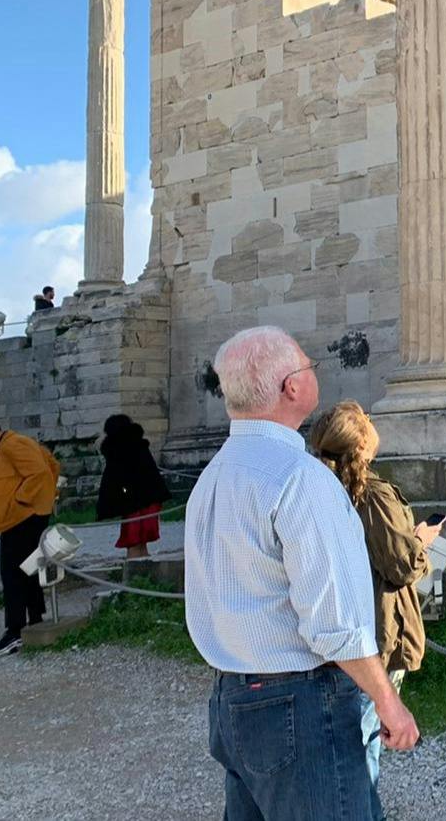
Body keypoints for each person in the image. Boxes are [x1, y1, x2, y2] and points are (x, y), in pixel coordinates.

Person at [185, 326, 418, 820]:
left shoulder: (212, 476)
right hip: (300, 699)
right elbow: (333, 623)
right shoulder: (299, 478)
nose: (315, 373)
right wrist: (387, 700)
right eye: (310, 366)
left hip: (231, 693)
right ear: (292, 387)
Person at [309, 400, 439, 817]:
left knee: (346, 749)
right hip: (374, 633)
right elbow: (401, 566)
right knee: (363, 751)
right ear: (364, 445)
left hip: (330, 632)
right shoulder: (374, 495)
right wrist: (421, 540)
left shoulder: (313, 489)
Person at [0, 421, 62, 657]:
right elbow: (50, 462)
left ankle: (14, 631)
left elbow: (40, 472)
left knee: (11, 573)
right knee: (29, 569)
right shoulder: (9, 446)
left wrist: (20, 503)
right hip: (23, 516)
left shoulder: (13, 444)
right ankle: (34, 618)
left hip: (23, 517)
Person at [96, 414, 172, 559]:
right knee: (140, 541)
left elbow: (117, 479)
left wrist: (120, 498)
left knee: (134, 541)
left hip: (134, 502)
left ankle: (136, 574)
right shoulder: (139, 446)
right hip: (148, 498)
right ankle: (143, 573)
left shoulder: (118, 451)